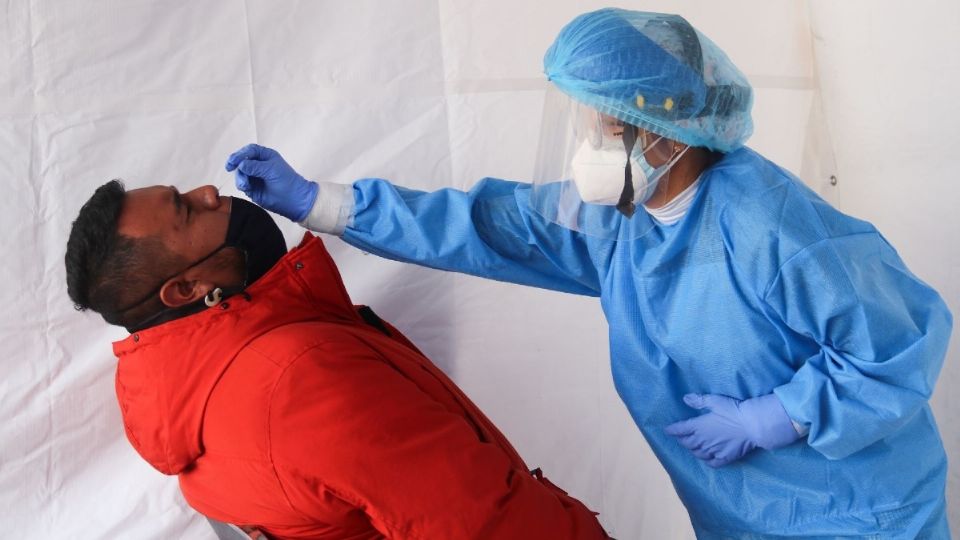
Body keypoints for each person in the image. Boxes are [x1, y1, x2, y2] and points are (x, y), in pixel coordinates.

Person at [225, 8, 953, 539]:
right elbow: (487, 226)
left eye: (600, 126)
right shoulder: (620, 221)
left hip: (858, 514)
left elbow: (899, 344)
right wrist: (327, 204)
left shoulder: (773, 229)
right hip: (741, 513)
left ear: (663, 130)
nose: (585, 145)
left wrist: (778, 414)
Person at [64, 180, 610, 539]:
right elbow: (488, 526)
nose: (209, 192)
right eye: (185, 211)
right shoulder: (301, 379)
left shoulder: (176, 387)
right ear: (186, 288)